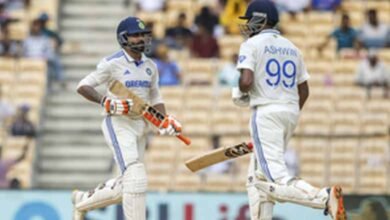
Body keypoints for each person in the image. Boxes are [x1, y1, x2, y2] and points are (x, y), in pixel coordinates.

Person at [232, 1, 346, 219]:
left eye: (250, 20)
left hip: (265, 113)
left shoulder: (252, 44)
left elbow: (246, 82)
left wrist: (240, 92)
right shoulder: (292, 47)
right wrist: (289, 112)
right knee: (257, 178)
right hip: (290, 112)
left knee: (276, 178)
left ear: (261, 19)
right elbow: (304, 90)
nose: (247, 26)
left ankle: (323, 196)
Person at [72, 17, 183, 220]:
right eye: (136, 35)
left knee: (130, 182)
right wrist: (106, 101)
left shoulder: (150, 66)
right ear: (124, 38)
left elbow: (155, 97)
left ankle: (82, 201)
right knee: (136, 174)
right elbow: (83, 86)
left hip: (140, 124)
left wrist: (164, 121)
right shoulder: (111, 63)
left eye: (143, 34)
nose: (141, 38)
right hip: (118, 122)